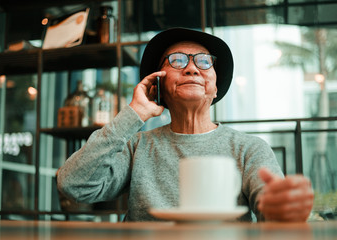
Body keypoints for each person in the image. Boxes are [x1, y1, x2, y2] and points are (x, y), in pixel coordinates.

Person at [57, 28, 314, 222]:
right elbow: (73, 185)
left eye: (204, 61)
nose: (192, 69)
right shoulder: (137, 146)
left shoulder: (250, 149)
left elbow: (274, 212)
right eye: (177, 60)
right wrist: (134, 113)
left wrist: (283, 208)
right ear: (158, 85)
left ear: (215, 88)